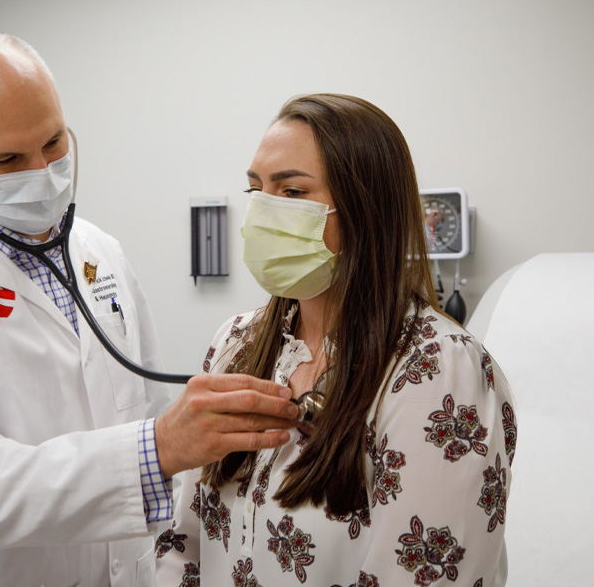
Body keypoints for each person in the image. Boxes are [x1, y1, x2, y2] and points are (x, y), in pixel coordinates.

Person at [0, 32, 297, 587]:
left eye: (54, 143)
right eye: (8, 159)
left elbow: (146, 409)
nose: (43, 169)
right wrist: (158, 449)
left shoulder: (99, 252)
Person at [154, 94, 515, 587]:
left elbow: (423, 570)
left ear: (366, 209)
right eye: (255, 189)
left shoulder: (438, 371)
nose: (261, 212)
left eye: (292, 192)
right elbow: (184, 541)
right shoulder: (235, 343)